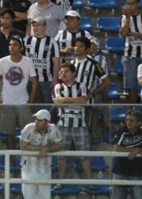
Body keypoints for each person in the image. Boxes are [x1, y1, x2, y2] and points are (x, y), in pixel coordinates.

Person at [50, 62, 93, 191]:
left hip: (80, 125)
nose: (63, 74)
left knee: (84, 154)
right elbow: (57, 103)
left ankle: (90, 181)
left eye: (66, 71)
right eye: (61, 72)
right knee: (61, 155)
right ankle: (60, 181)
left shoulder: (82, 86)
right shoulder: (58, 86)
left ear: (74, 73)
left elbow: (84, 101)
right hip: (63, 125)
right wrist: (75, 99)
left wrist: (66, 100)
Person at [0, 35, 37, 153]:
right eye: (10, 45)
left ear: (21, 48)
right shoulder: (2, 62)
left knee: (27, 131)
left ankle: (27, 155)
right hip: (7, 101)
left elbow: (34, 82)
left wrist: (30, 100)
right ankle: (12, 157)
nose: (12, 47)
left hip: (23, 101)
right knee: (8, 132)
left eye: (15, 45)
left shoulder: (28, 62)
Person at [20, 109, 64, 198]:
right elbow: (23, 146)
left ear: (47, 122)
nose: (36, 122)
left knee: (45, 197)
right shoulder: (29, 127)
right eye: (36, 119)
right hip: (28, 169)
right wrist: (42, 149)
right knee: (28, 197)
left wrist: (46, 149)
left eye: (40, 120)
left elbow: (60, 145)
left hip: (45, 169)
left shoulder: (53, 129)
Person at [25, 17, 61, 104]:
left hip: (47, 80)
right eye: (33, 25)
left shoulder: (52, 42)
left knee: (48, 105)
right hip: (30, 80)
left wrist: (55, 80)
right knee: (33, 105)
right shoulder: (26, 41)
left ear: (45, 27)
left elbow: (56, 63)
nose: (35, 28)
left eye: (38, 25)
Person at [112, 110, 142, 199]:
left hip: (136, 170)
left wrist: (138, 149)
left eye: (131, 120)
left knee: (137, 196)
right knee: (117, 197)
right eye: (127, 120)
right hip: (120, 169)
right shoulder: (123, 129)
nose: (128, 122)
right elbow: (117, 148)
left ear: (138, 123)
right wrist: (134, 150)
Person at [121, 0, 142, 104]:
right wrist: (128, 18)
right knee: (131, 86)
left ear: (138, 4)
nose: (130, 6)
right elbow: (123, 34)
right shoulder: (124, 18)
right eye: (128, 4)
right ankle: (134, 109)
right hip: (130, 55)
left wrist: (130, 33)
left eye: (133, 3)